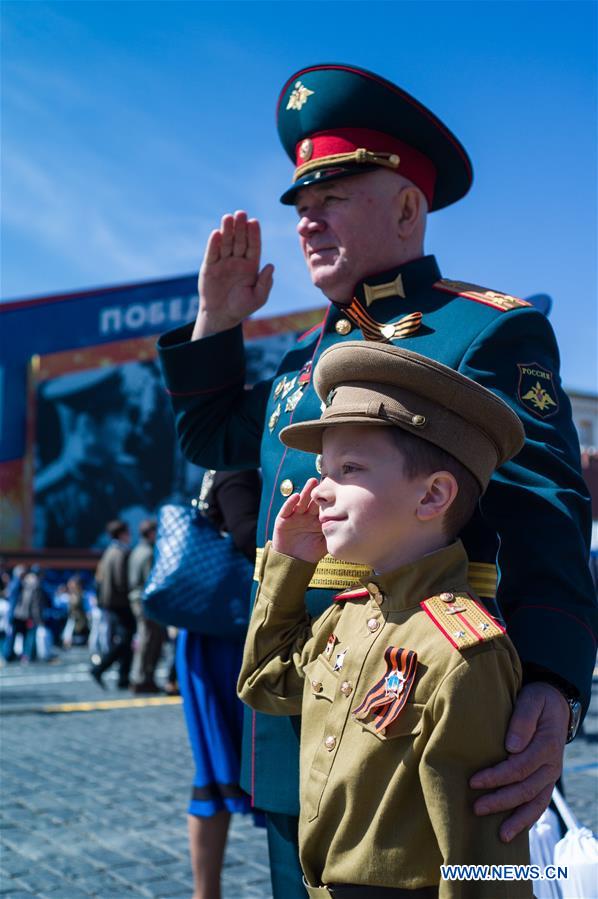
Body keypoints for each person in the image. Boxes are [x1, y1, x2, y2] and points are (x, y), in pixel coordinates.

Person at [158, 64, 597, 896]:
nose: (307, 218)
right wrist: (217, 320)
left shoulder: (483, 331)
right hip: (296, 726)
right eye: (300, 204)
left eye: (334, 194)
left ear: (406, 206)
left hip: (418, 723)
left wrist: (551, 679)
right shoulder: (303, 360)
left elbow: (546, 511)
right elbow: (213, 435)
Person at [239, 342, 532, 897]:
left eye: (349, 469)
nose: (319, 488)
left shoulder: (462, 654)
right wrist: (288, 567)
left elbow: (486, 865)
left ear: (433, 496)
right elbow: (265, 683)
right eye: (323, 469)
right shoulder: (350, 614)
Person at [177, 468, 262, 899]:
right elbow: (248, 533)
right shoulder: (237, 470)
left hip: (213, 634)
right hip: (229, 639)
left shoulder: (222, 469)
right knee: (232, 763)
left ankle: (205, 892)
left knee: (213, 768)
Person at [90, 519, 135, 689]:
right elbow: (120, 580)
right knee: (125, 638)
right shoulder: (121, 552)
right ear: (122, 533)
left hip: (111, 602)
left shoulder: (110, 550)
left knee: (126, 638)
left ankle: (123, 677)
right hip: (121, 602)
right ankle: (101, 668)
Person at [128, 518, 166, 694]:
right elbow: (152, 581)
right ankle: (143, 678)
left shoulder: (136, 550)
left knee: (144, 638)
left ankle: (139, 677)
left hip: (135, 598)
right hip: (146, 601)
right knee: (149, 640)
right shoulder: (149, 553)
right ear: (151, 533)